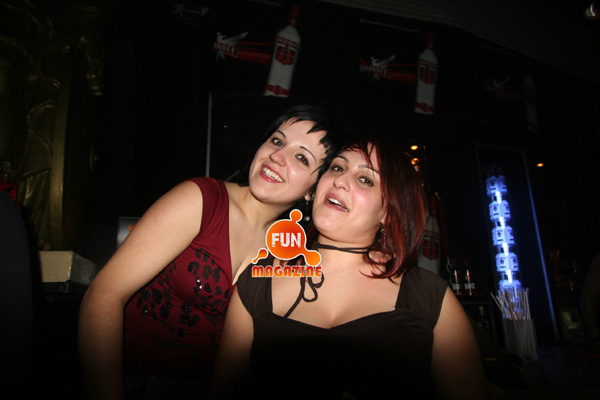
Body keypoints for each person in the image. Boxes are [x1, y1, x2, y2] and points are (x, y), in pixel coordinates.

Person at [78, 105, 343, 400]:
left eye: (301, 158)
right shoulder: (202, 199)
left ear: (312, 191)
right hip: (128, 379)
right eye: (277, 141)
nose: (277, 156)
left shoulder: (288, 252)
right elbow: (103, 295)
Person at [209, 134, 491, 400]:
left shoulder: (429, 296)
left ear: (389, 212)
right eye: (336, 168)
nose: (340, 181)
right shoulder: (258, 281)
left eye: (366, 180)